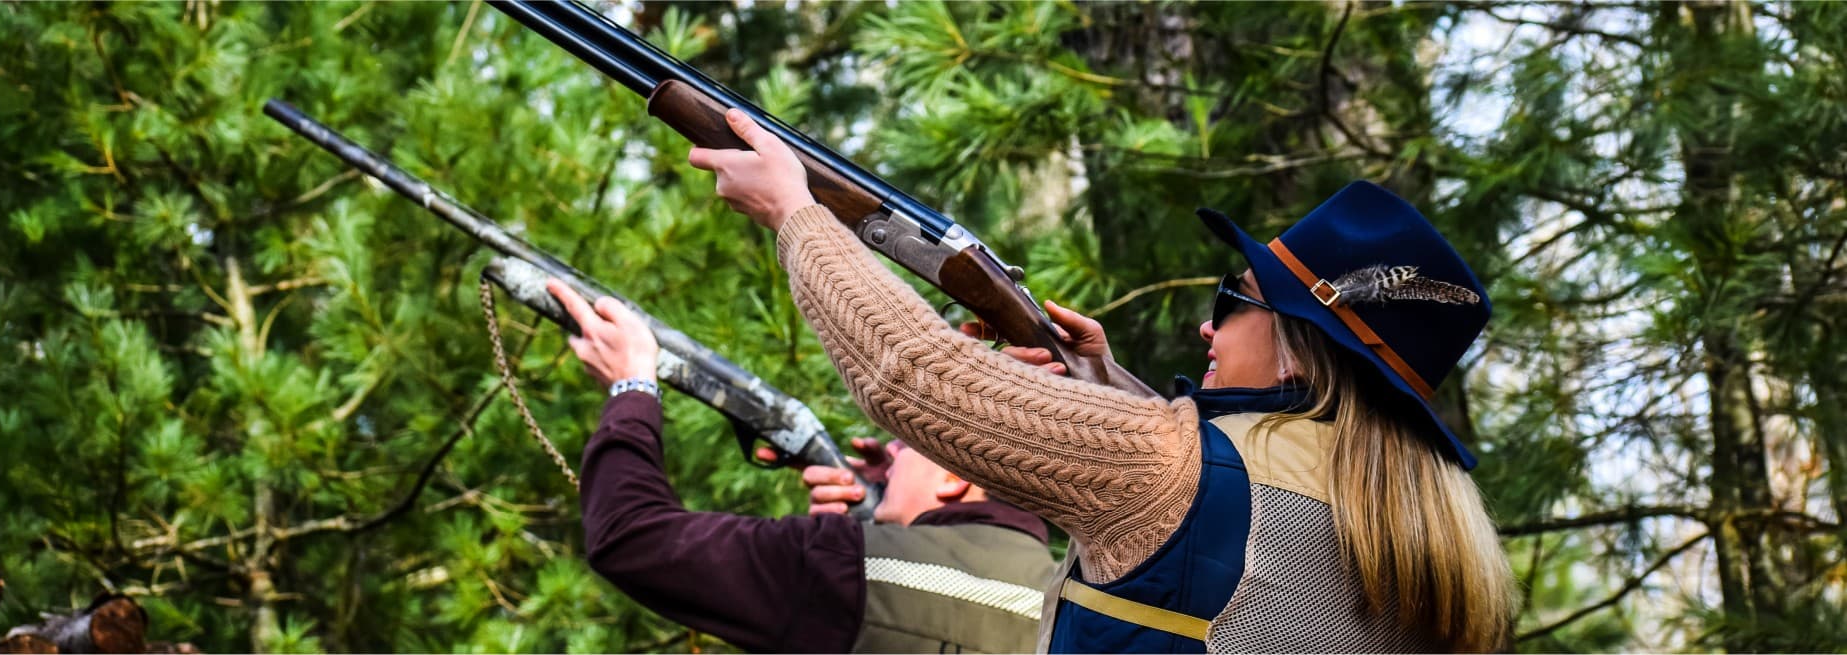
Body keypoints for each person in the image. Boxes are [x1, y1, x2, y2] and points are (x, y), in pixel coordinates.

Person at [685, 108, 1518, 652]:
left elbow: (911, 376)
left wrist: (795, 213)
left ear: (1302, 352)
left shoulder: (1168, 466)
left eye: (1234, 298)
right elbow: (1229, 532)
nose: (1208, 323)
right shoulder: (1423, 524)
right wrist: (1101, 379)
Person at [546, 281, 1059, 654]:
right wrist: (889, 512)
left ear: (955, 479)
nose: (889, 453)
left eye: (908, 443)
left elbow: (629, 538)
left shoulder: (845, 568)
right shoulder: (1073, 597)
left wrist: (631, 384)